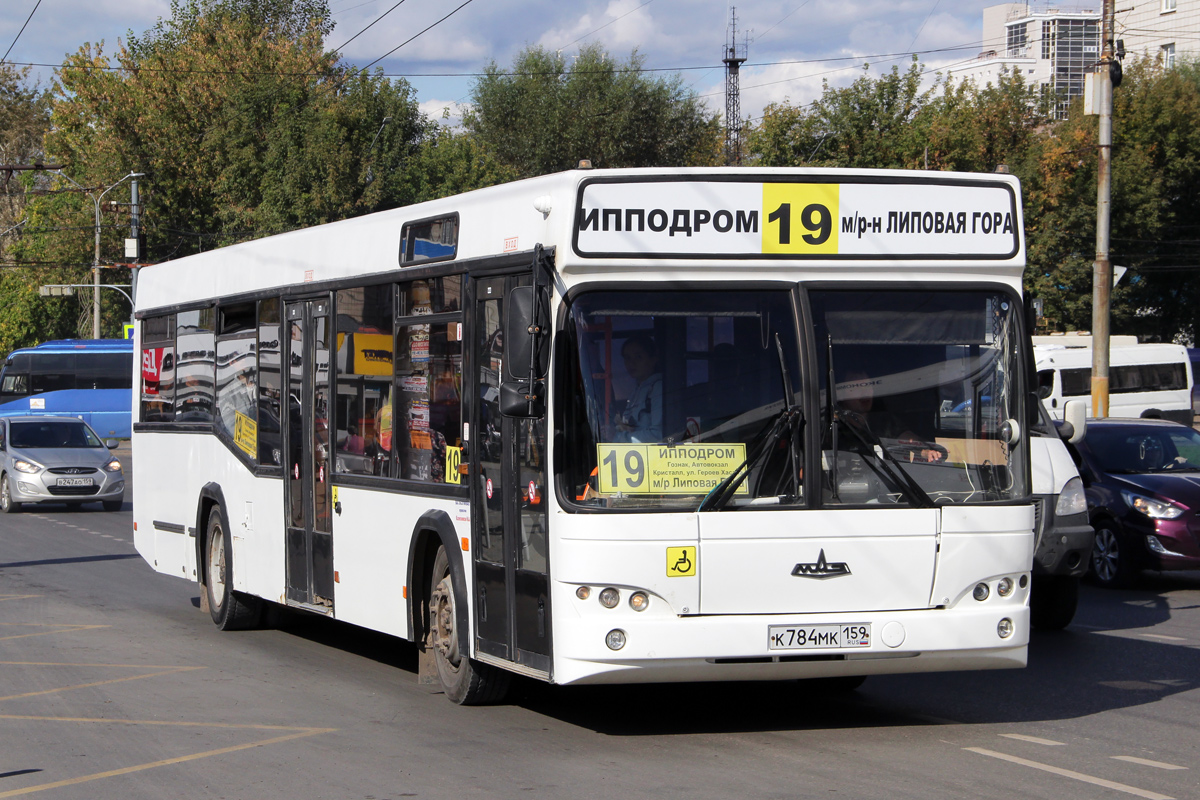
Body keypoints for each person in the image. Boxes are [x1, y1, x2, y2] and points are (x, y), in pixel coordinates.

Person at [839, 369, 944, 463]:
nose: (864, 392)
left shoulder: (883, 421)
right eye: (855, 387)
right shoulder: (832, 425)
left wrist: (924, 449)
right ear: (840, 394)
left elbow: (907, 437)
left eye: (868, 385)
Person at [615, 334, 662, 443]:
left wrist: (619, 438)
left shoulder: (658, 388)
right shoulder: (636, 391)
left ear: (653, 359)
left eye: (638, 357)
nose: (631, 363)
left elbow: (659, 434)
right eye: (627, 358)